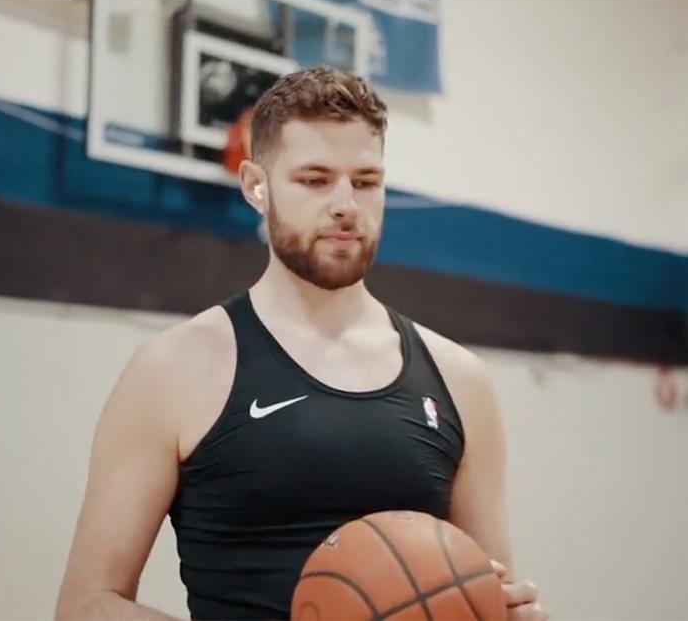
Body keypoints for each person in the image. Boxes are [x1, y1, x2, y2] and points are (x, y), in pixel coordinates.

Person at [55, 66, 547, 621]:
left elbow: (484, 594)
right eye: (315, 180)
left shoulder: (461, 380)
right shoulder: (174, 369)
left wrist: (505, 612)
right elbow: (86, 607)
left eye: (365, 181)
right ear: (255, 186)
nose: (345, 203)